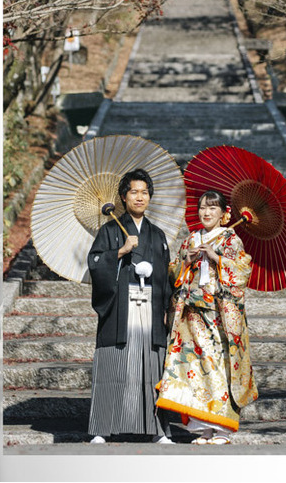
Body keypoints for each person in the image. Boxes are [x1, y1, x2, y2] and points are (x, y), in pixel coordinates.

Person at [156, 190, 258, 444]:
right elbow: (174, 273)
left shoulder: (231, 240)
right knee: (196, 369)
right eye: (202, 207)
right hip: (191, 313)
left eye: (213, 208)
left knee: (219, 369)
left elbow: (242, 273)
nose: (206, 212)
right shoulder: (192, 239)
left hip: (218, 316)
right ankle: (203, 428)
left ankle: (222, 429)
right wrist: (186, 261)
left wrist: (217, 258)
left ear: (225, 214)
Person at [86, 168, 173, 443]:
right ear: (123, 197)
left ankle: (158, 431)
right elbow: (95, 263)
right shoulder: (110, 229)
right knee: (114, 363)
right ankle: (101, 428)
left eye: (144, 192)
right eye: (134, 192)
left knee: (152, 365)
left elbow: (167, 277)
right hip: (120, 306)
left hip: (150, 305)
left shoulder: (157, 235)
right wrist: (120, 252)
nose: (139, 197)